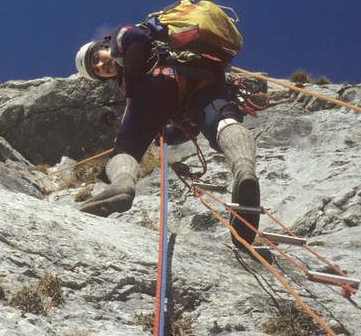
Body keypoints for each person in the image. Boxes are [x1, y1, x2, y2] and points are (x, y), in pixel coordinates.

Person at [74, 21, 260, 250]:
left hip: (158, 82)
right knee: (222, 121)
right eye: (98, 71)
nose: (102, 65)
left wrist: (131, 97)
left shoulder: (118, 38)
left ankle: (122, 185)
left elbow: (138, 41)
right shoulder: (131, 66)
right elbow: (188, 127)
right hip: (202, 80)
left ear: (102, 46)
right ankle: (245, 172)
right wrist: (170, 135)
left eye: (97, 59)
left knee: (125, 150)